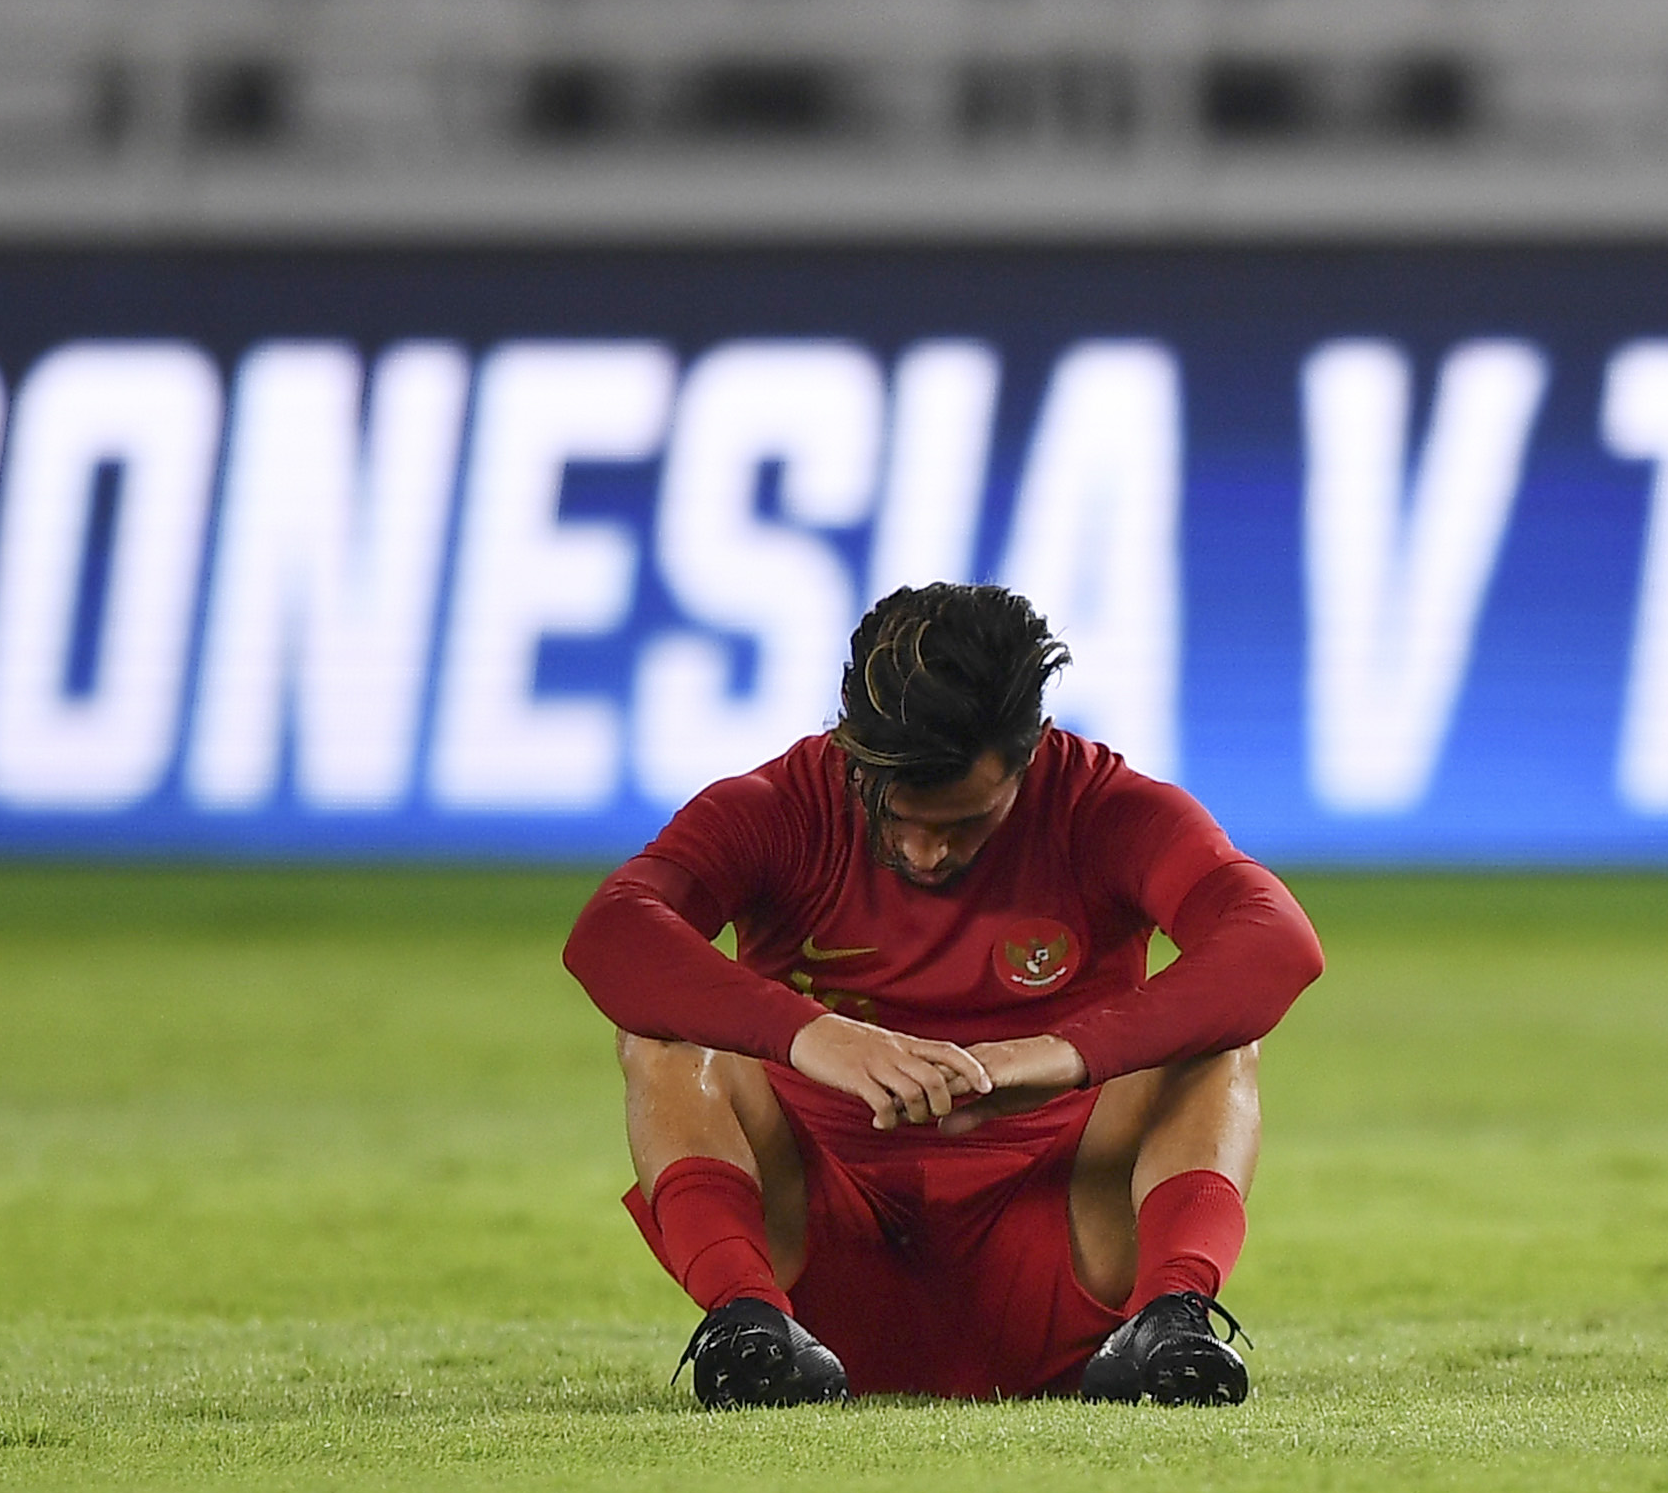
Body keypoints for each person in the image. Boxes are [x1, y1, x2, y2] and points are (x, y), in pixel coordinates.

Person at [563, 582, 1326, 1407]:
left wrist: (1062, 1056)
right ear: (854, 753)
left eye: (965, 823)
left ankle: (1169, 1318)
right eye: (899, 816)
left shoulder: (1104, 810)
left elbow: (1276, 940)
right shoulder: (781, 808)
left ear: (1029, 757)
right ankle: (747, 1322)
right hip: (824, 1256)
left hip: (1062, 1242)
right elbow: (612, 933)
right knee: (662, 1036)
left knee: (1219, 1041)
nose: (926, 853)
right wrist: (817, 1036)